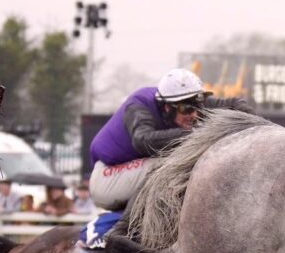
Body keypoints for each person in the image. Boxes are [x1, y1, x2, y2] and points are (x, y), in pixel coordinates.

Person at [89, 68, 253, 238]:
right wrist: (200, 132)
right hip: (106, 178)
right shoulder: (139, 104)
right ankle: (121, 231)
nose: (194, 114)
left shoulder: (186, 102)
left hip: (134, 173)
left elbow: (236, 104)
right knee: (168, 164)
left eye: (198, 107)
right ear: (167, 107)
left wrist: (266, 128)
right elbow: (143, 141)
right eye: (186, 109)